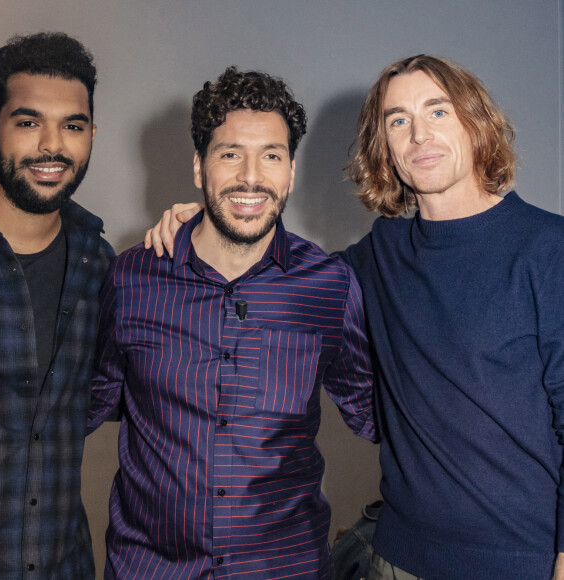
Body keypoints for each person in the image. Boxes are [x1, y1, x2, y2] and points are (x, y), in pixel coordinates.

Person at [148, 55, 564, 580]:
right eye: (398, 120)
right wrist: (208, 218)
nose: (418, 135)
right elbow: (279, 270)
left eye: (438, 112)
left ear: (476, 122)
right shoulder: (376, 256)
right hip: (397, 558)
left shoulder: (550, 249)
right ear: (383, 144)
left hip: (525, 563)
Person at [88, 66, 376, 579]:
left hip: (285, 569)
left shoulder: (330, 288)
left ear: (291, 170)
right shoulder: (132, 278)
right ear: (200, 168)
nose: (250, 176)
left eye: (271, 155)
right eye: (230, 154)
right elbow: (82, 405)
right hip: (151, 569)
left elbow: (382, 418)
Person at [0, 32, 115, 578]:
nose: (52, 146)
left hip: (64, 564)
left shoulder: (100, 262)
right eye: (29, 121)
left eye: (73, 125)